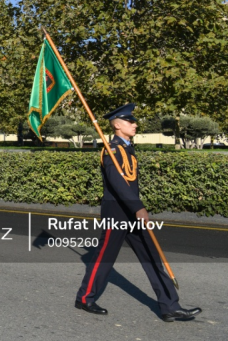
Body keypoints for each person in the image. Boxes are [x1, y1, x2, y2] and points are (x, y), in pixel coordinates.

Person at [75, 103, 201, 322]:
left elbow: (129, 182)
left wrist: (135, 209)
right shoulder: (112, 149)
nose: (134, 124)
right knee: (104, 259)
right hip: (117, 213)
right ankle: (85, 298)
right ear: (116, 124)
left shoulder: (127, 148)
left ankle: (170, 306)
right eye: (129, 121)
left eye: (133, 121)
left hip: (132, 213)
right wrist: (138, 207)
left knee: (153, 257)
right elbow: (118, 184)